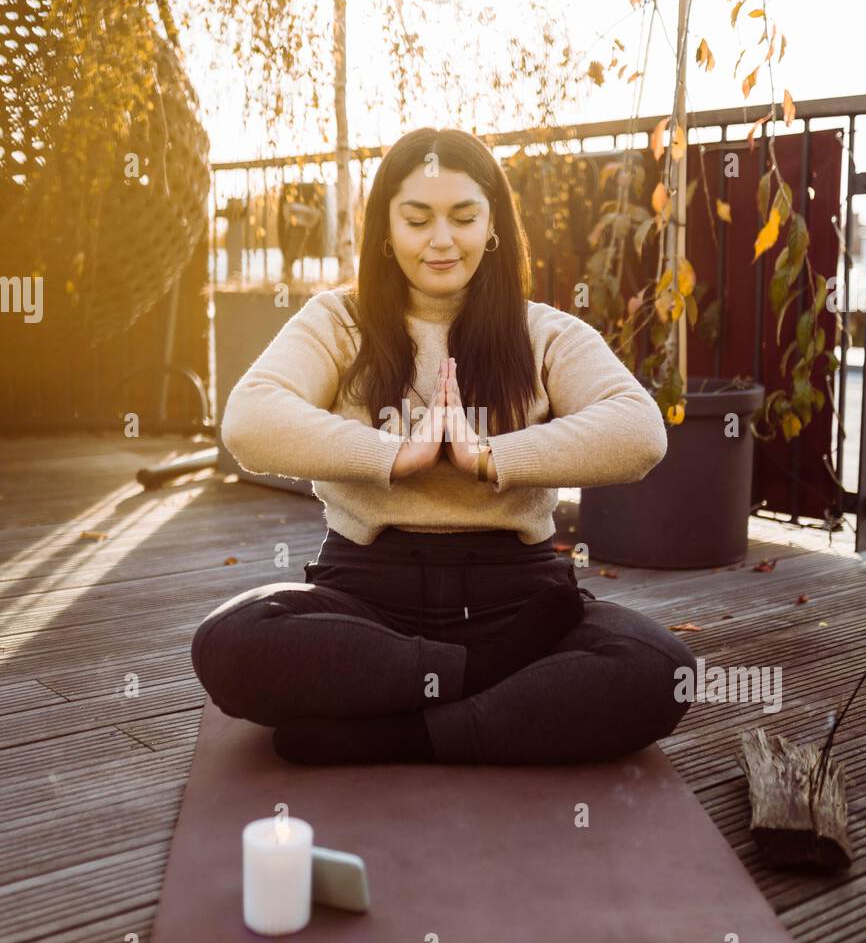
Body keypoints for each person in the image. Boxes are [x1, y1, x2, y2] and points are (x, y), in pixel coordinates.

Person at [191, 127, 697, 766]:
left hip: (517, 595)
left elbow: (639, 430)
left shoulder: (543, 331)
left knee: (659, 668)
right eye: (417, 219)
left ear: (492, 226)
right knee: (229, 645)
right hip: (369, 594)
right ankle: (488, 680)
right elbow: (249, 420)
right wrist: (393, 456)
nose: (440, 240)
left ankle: (400, 736)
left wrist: (490, 457)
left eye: (463, 217)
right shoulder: (337, 321)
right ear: (386, 229)